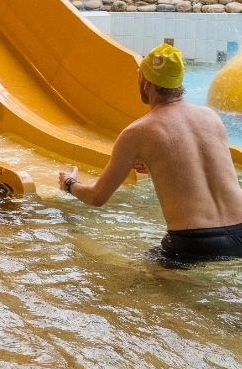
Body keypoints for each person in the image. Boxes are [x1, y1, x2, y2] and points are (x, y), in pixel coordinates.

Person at [59, 43, 242, 261]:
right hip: (240, 231)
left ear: (146, 83)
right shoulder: (210, 117)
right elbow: (202, 167)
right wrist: (156, 163)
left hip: (193, 241)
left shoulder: (137, 132)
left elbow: (97, 197)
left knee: (136, 280)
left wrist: (69, 184)